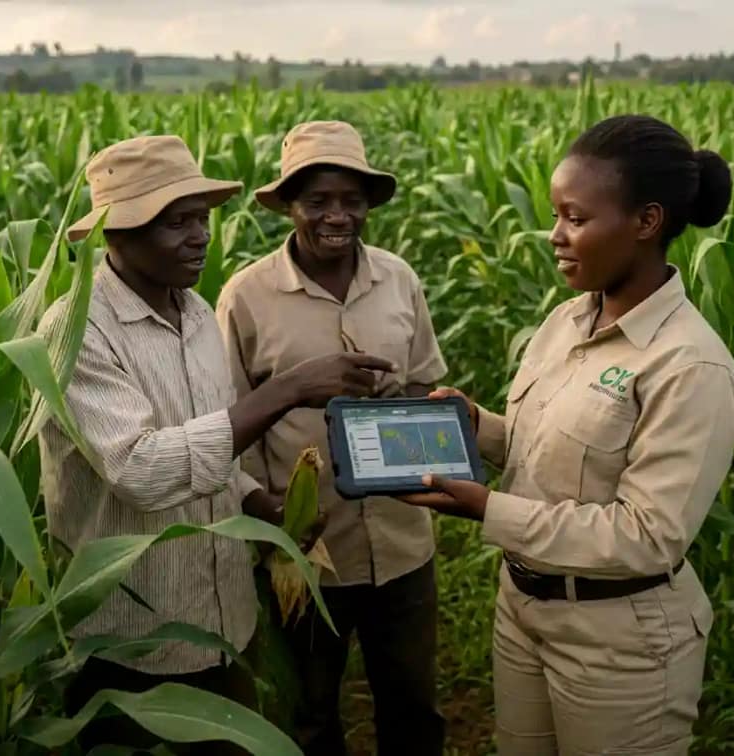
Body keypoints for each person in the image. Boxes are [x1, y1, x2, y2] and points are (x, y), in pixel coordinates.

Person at [397, 114, 734, 755]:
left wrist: (487, 509)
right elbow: (552, 454)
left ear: (646, 222)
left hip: (620, 640)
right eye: (557, 215)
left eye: (576, 219)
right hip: (524, 609)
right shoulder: (566, 319)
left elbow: (646, 537)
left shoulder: (690, 367)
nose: (555, 236)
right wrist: (479, 430)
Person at [37, 134, 394, 755]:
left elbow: (213, 445)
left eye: (201, 217)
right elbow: (144, 470)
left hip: (224, 620)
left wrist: (263, 509)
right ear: (115, 234)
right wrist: (285, 390)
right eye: (176, 222)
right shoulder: (76, 333)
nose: (200, 235)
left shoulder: (196, 312)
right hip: (132, 641)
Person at [215, 120, 448, 756]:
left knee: (413, 710)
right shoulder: (246, 297)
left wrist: (407, 414)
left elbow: (427, 384)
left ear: (369, 204)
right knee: (312, 718)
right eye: (317, 200)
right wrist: (267, 518)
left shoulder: (398, 280)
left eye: (350, 200)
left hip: (403, 544)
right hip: (305, 556)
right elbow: (224, 432)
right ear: (289, 206)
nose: (336, 216)